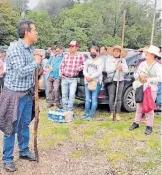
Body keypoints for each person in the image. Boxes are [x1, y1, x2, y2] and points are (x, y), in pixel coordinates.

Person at [0, 20, 42, 172]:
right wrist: (36, 62)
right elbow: (20, 72)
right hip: (14, 95)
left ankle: (24, 151)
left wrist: (39, 63)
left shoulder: (31, 49)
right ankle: (7, 159)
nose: (37, 33)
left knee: (24, 125)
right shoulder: (15, 48)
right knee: (11, 127)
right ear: (27, 32)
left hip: (27, 93)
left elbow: (34, 70)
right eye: (35, 30)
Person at [129, 45, 162, 135]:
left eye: (147, 53)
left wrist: (148, 79)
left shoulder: (158, 66)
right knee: (139, 105)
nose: (145, 54)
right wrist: (139, 76)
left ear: (152, 54)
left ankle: (149, 126)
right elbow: (136, 73)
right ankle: (136, 122)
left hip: (151, 89)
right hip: (141, 87)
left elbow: (160, 78)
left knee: (149, 107)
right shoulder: (143, 64)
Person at [105, 45, 129, 120]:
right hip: (112, 81)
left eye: (118, 51)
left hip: (120, 80)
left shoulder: (123, 60)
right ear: (113, 52)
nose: (116, 53)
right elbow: (107, 70)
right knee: (111, 97)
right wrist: (114, 68)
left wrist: (122, 69)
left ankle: (118, 113)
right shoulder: (109, 59)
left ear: (120, 53)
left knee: (118, 98)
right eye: (115, 51)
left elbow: (127, 71)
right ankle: (112, 113)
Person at [60, 41, 85, 111]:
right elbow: (61, 65)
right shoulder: (66, 55)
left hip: (73, 79)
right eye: (70, 46)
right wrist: (61, 73)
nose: (70, 48)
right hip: (64, 77)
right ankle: (65, 108)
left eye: (72, 46)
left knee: (72, 94)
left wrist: (79, 68)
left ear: (77, 48)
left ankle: (70, 108)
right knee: (64, 94)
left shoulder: (80, 56)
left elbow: (85, 64)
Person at [82, 46, 104, 121]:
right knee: (87, 99)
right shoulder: (88, 60)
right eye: (91, 52)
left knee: (94, 99)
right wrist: (87, 76)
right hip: (87, 81)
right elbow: (84, 69)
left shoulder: (100, 61)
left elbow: (99, 71)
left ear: (97, 52)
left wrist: (92, 77)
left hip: (96, 82)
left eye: (94, 52)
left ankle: (91, 115)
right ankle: (86, 113)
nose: (92, 53)